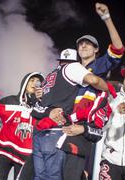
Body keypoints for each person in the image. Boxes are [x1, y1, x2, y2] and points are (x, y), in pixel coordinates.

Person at [61, 2, 125, 179]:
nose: (83, 46)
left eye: (88, 44)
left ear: (96, 50)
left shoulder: (100, 64)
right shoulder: (70, 68)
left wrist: (106, 18)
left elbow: (118, 48)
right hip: (62, 124)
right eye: (81, 44)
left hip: (82, 128)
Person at [30, 48, 113, 180]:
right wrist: (108, 88)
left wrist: (48, 111)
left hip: (39, 133)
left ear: (60, 61)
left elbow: (36, 108)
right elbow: (93, 80)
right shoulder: (73, 67)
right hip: (56, 131)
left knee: (39, 177)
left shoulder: (50, 76)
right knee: (53, 178)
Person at [0, 72, 44, 180]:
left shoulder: (41, 105)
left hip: (25, 154)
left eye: (38, 81)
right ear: (25, 82)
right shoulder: (10, 100)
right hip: (6, 148)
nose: (35, 83)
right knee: (0, 178)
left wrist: (42, 101)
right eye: (32, 80)